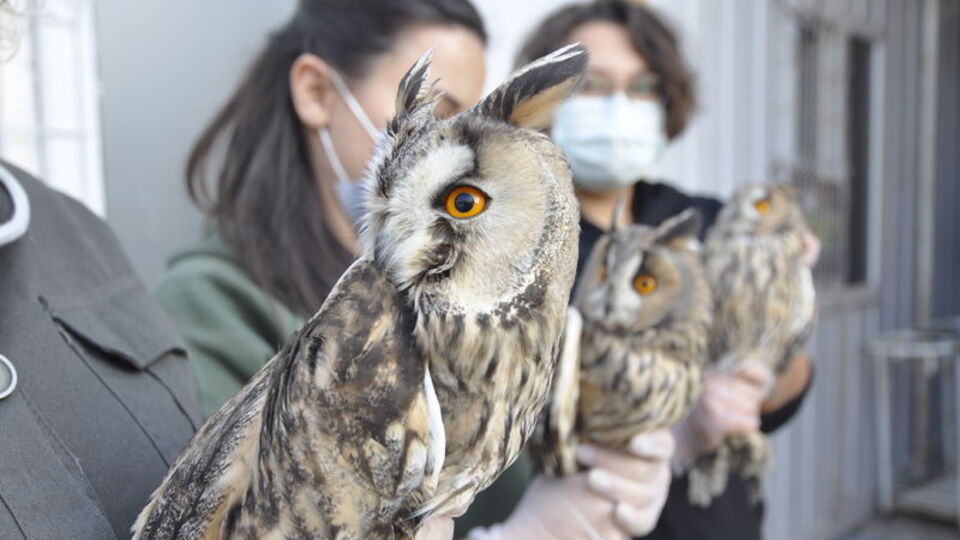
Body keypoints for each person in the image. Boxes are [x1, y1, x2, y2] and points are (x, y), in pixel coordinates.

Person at [465, 2, 817, 540]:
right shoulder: (508, 248)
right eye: (592, 86)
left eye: (644, 86)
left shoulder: (706, 222)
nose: (619, 106)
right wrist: (673, 417)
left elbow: (786, 389)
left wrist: (764, 365)